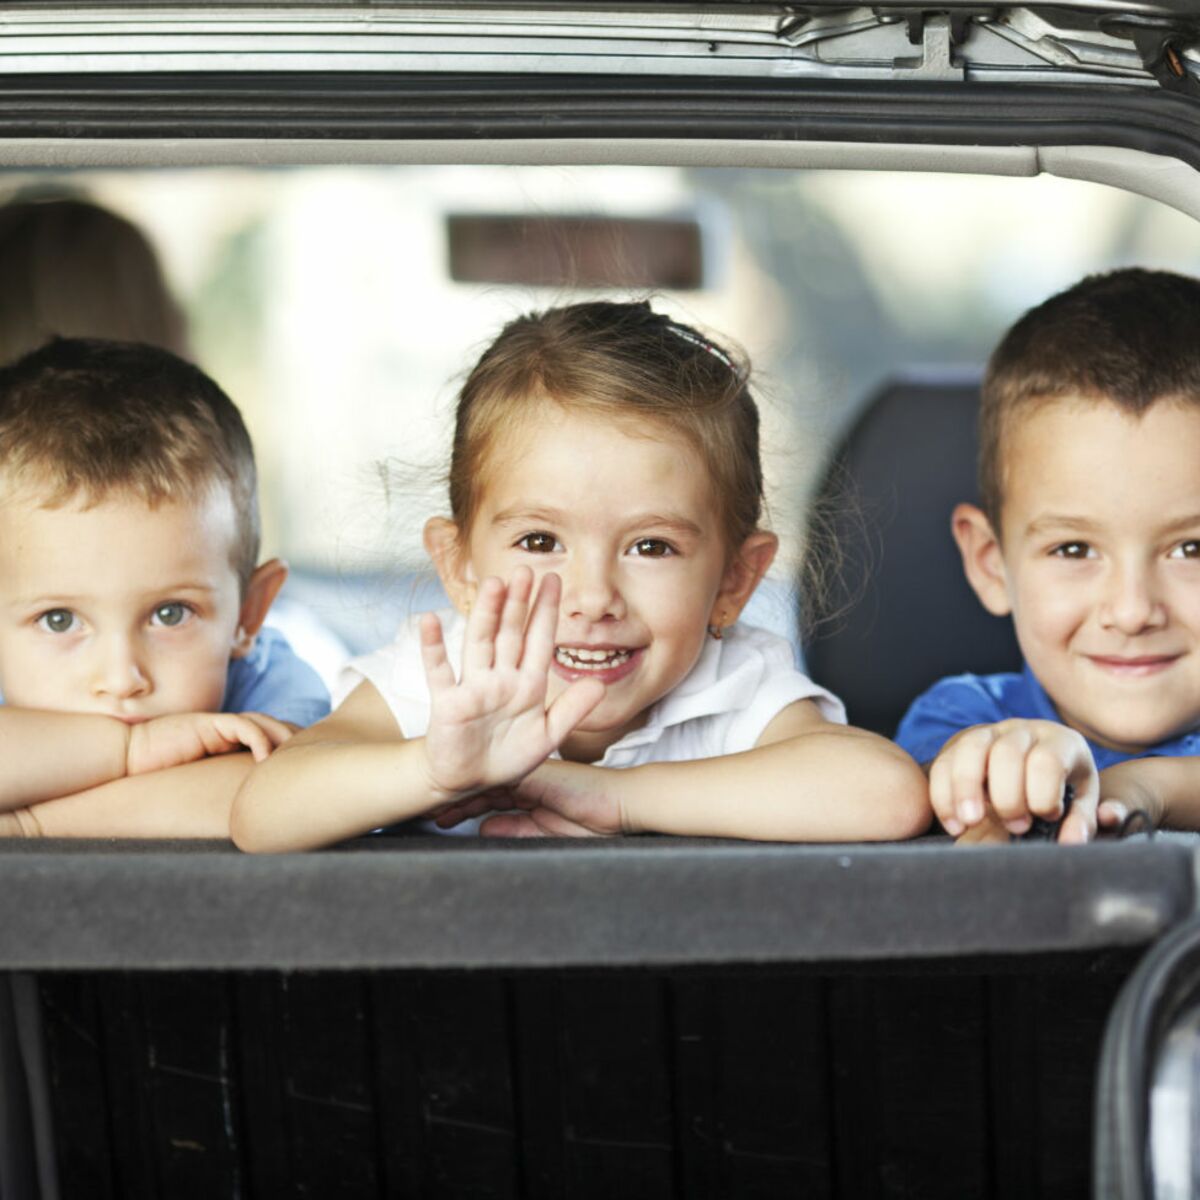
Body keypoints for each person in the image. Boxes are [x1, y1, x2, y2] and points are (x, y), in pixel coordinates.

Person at [230, 300, 929, 851]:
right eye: (541, 540)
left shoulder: (733, 686)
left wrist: (616, 797)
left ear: (734, 583)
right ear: (460, 568)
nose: (594, 598)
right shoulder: (439, 682)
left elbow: (885, 795)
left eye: (652, 547)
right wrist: (435, 771)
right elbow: (265, 812)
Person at [895, 267, 1200, 844]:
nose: (1133, 612)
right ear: (991, 563)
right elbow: (971, 840)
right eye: (1074, 548)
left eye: (1191, 548)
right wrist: (1005, 782)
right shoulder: (963, 719)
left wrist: (1144, 787)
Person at [0, 337, 330, 838]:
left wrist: (30, 826)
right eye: (59, 620)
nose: (121, 679)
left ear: (249, 613)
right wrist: (131, 751)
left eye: (171, 614)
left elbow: (285, 799)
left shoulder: (272, 682)